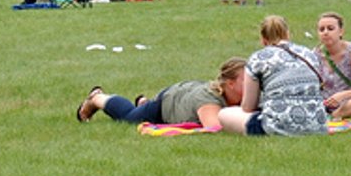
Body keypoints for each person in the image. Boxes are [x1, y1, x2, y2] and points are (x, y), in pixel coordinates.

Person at [218, 16, 330, 136]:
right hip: (318, 124)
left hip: (277, 126)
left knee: (224, 114)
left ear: (263, 39)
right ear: (288, 34)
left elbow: (248, 107)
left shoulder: (258, 58)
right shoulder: (309, 54)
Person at [78, 59, 246, 128]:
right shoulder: (209, 101)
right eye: (247, 81)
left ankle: (143, 102)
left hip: (185, 94)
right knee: (128, 117)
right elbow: (215, 129)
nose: (255, 85)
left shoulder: (248, 95)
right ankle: (97, 98)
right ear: (230, 84)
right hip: (165, 104)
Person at [312, 11, 351, 115]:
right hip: (323, 103)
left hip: (348, 102)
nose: (326, 32)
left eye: (330, 28)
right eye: (321, 29)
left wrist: (343, 95)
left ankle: (337, 114)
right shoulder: (314, 54)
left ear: (341, 32)